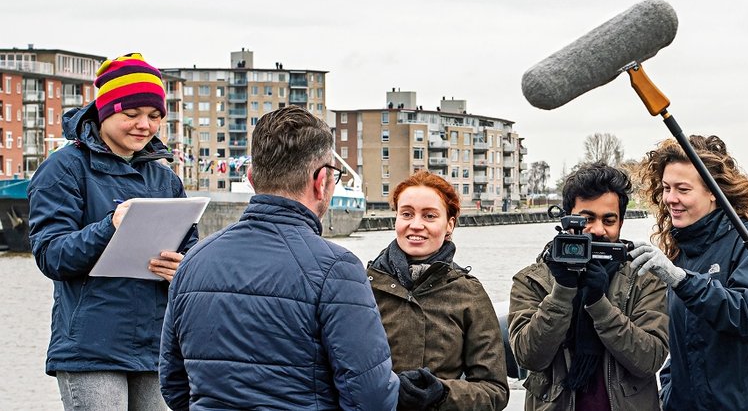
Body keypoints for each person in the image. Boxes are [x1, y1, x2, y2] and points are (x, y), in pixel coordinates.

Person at [159, 105, 399, 410]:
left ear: (250, 178)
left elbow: (174, 383)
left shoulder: (194, 261)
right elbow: (371, 398)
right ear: (322, 180)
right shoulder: (337, 269)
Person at [27, 53, 198, 410]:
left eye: (154, 116)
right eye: (131, 114)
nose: (144, 125)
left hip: (156, 346)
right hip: (91, 348)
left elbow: (190, 250)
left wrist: (183, 269)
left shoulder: (166, 179)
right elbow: (51, 255)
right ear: (105, 112)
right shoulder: (63, 169)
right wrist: (110, 226)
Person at [632, 135, 748, 410]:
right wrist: (671, 391)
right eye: (666, 188)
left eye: (683, 189)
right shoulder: (680, 250)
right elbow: (683, 340)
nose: (670, 199)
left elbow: (745, 312)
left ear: (713, 191)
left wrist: (680, 280)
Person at [508, 162, 669, 410]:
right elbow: (530, 357)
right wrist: (562, 291)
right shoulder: (532, 280)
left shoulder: (644, 277)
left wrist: (599, 305)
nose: (597, 230)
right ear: (566, 219)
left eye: (609, 220)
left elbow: (649, 359)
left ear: (621, 223)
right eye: (587, 219)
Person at [367, 170, 510, 411]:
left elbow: (494, 390)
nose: (416, 225)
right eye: (407, 214)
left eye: (430, 216)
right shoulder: (364, 286)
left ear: (449, 225)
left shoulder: (469, 293)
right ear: (396, 219)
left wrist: (442, 393)